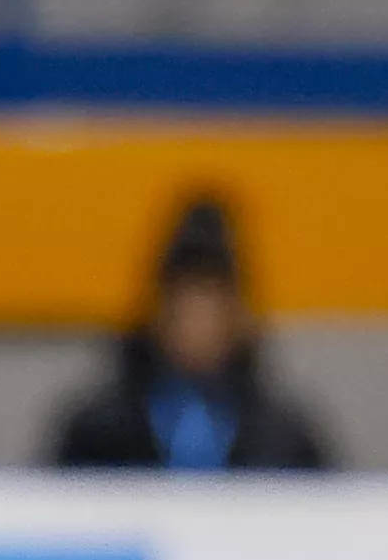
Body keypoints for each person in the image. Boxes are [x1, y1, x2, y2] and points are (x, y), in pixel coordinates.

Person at [48, 196, 335, 474]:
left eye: (212, 306)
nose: (197, 325)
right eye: (183, 304)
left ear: (239, 316)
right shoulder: (97, 432)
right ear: (157, 312)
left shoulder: (286, 436)